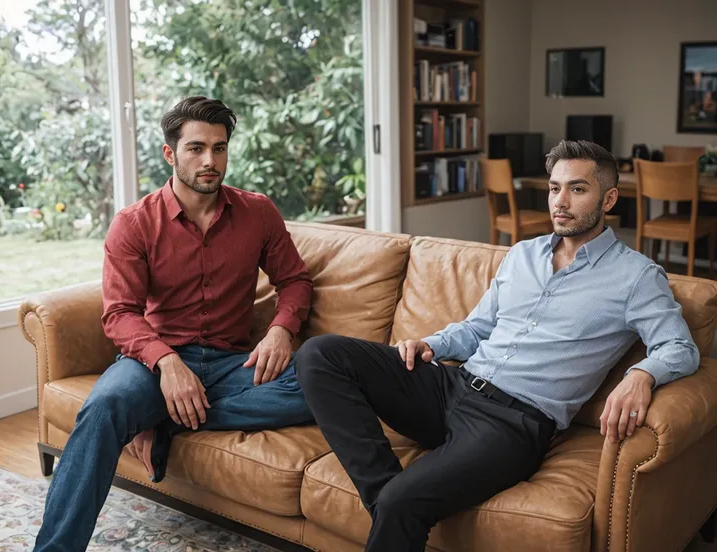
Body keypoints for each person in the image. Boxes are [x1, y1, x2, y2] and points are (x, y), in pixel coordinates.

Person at [294, 140, 700, 552]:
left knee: (403, 501)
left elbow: (680, 348)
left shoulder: (636, 276)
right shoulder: (522, 255)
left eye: (577, 189)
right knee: (320, 354)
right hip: (451, 385)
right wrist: (430, 343)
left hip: (511, 424)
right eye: (554, 187)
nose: (560, 201)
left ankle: (394, 504)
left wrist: (643, 374)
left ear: (609, 198)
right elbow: (478, 327)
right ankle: (384, 497)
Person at [34, 96, 315, 551]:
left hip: (231, 361)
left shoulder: (258, 213)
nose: (210, 161)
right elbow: (119, 314)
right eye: (196, 148)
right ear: (170, 153)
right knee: (103, 409)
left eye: (220, 148)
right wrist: (167, 364)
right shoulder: (133, 224)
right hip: (153, 360)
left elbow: (296, 281)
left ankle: (168, 422)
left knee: (321, 384)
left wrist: (282, 329)